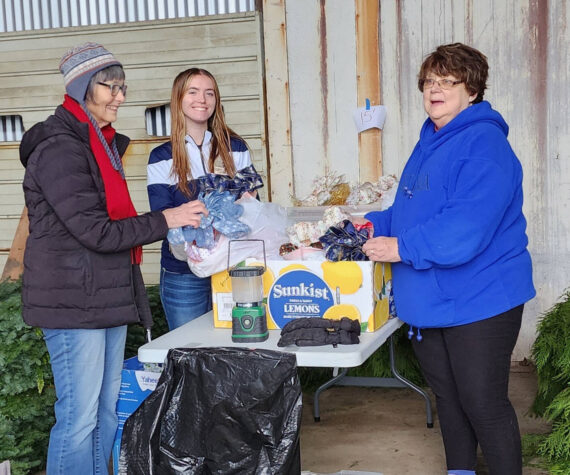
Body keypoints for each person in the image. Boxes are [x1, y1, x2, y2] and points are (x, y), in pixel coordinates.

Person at [19, 43, 208, 475]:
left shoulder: (99, 144)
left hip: (104, 293)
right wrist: (167, 218)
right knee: (79, 418)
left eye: (123, 87)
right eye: (111, 87)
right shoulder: (60, 148)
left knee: (105, 414)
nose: (121, 97)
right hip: (73, 302)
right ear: (83, 87)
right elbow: (95, 230)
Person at [359, 43, 535, 475]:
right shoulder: (429, 142)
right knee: (451, 401)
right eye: (430, 82)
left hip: (480, 299)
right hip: (433, 302)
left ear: (471, 90)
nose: (435, 90)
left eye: (448, 81)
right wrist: (371, 224)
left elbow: (466, 228)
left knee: (483, 403)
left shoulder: (484, 144)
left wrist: (400, 248)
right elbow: (410, 211)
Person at [147, 67, 263, 330]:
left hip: (233, 267)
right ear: (178, 99)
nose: (202, 99)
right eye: (193, 92)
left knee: (237, 345)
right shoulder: (160, 156)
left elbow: (252, 206)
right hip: (183, 273)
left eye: (209, 93)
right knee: (189, 351)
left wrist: (242, 202)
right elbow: (162, 215)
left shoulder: (236, 148)